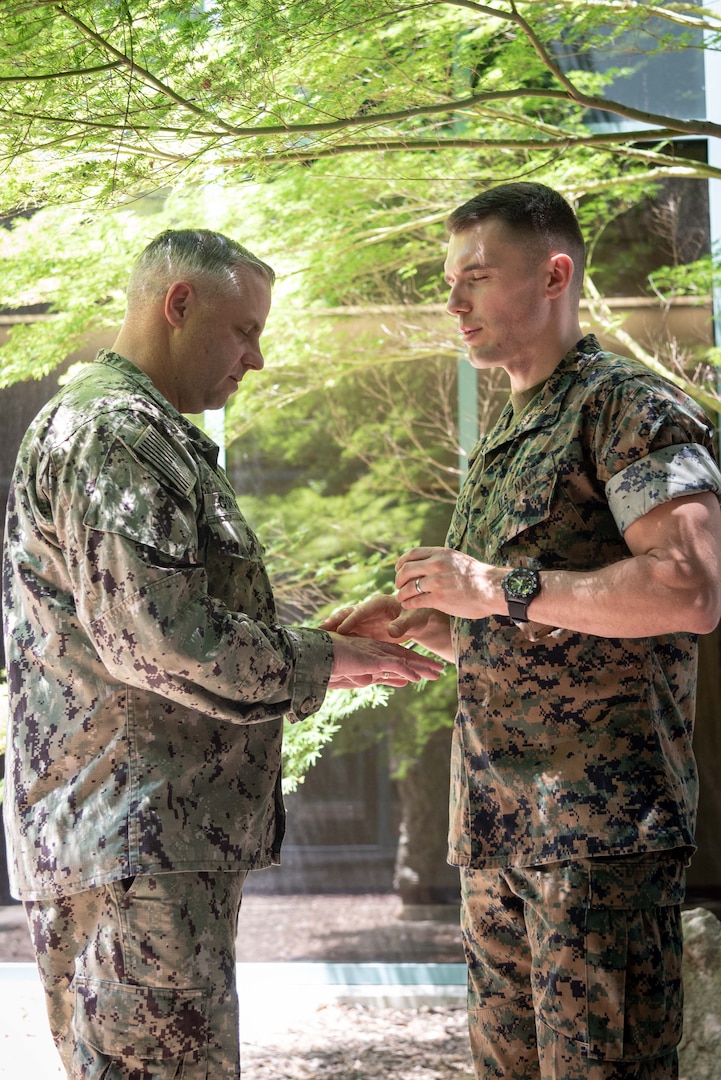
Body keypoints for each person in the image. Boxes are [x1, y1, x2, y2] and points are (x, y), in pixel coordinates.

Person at [1, 228, 444, 1079]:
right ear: (178, 305)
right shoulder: (116, 433)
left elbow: (156, 621)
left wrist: (325, 641)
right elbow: (160, 642)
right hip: (135, 844)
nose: (257, 358)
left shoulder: (132, 431)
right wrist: (329, 661)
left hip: (136, 842)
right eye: (243, 329)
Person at [324, 183, 721, 1079]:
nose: (452, 303)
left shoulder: (629, 408)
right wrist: (436, 622)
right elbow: (534, 620)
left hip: (600, 835)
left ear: (552, 274)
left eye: (475, 277)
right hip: (498, 831)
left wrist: (493, 586)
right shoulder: (506, 432)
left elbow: (690, 590)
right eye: (447, 281)